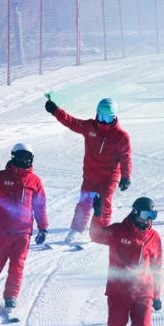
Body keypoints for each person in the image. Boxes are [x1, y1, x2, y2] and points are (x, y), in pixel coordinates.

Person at [80, 196, 163, 326]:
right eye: (146, 214)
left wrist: (157, 295)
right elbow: (96, 235)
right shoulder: (118, 231)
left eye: (153, 215)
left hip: (144, 292)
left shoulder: (154, 237)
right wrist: (98, 214)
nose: (149, 219)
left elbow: (157, 267)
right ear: (135, 213)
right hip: (119, 291)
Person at [0, 144, 48, 323]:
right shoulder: (2, 176)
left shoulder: (34, 181)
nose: (24, 160)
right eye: (20, 156)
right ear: (13, 157)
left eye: (27, 157)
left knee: (17, 267)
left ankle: (10, 299)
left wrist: (43, 227)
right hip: (4, 231)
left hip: (23, 233)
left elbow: (40, 206)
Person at [44, 95, 131, 244]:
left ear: (114, 117)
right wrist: (55, 110)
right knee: (84, 202)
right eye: (101, 117)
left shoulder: (121, 137)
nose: (103, 122)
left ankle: (100, 230)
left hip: (109, 177)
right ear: (96, 114)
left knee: (103, 203)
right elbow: (71, 122)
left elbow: (125, 158)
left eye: (108, 118)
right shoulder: (90, 127)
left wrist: (126, 177)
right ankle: (77, 229)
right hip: (91, 175)